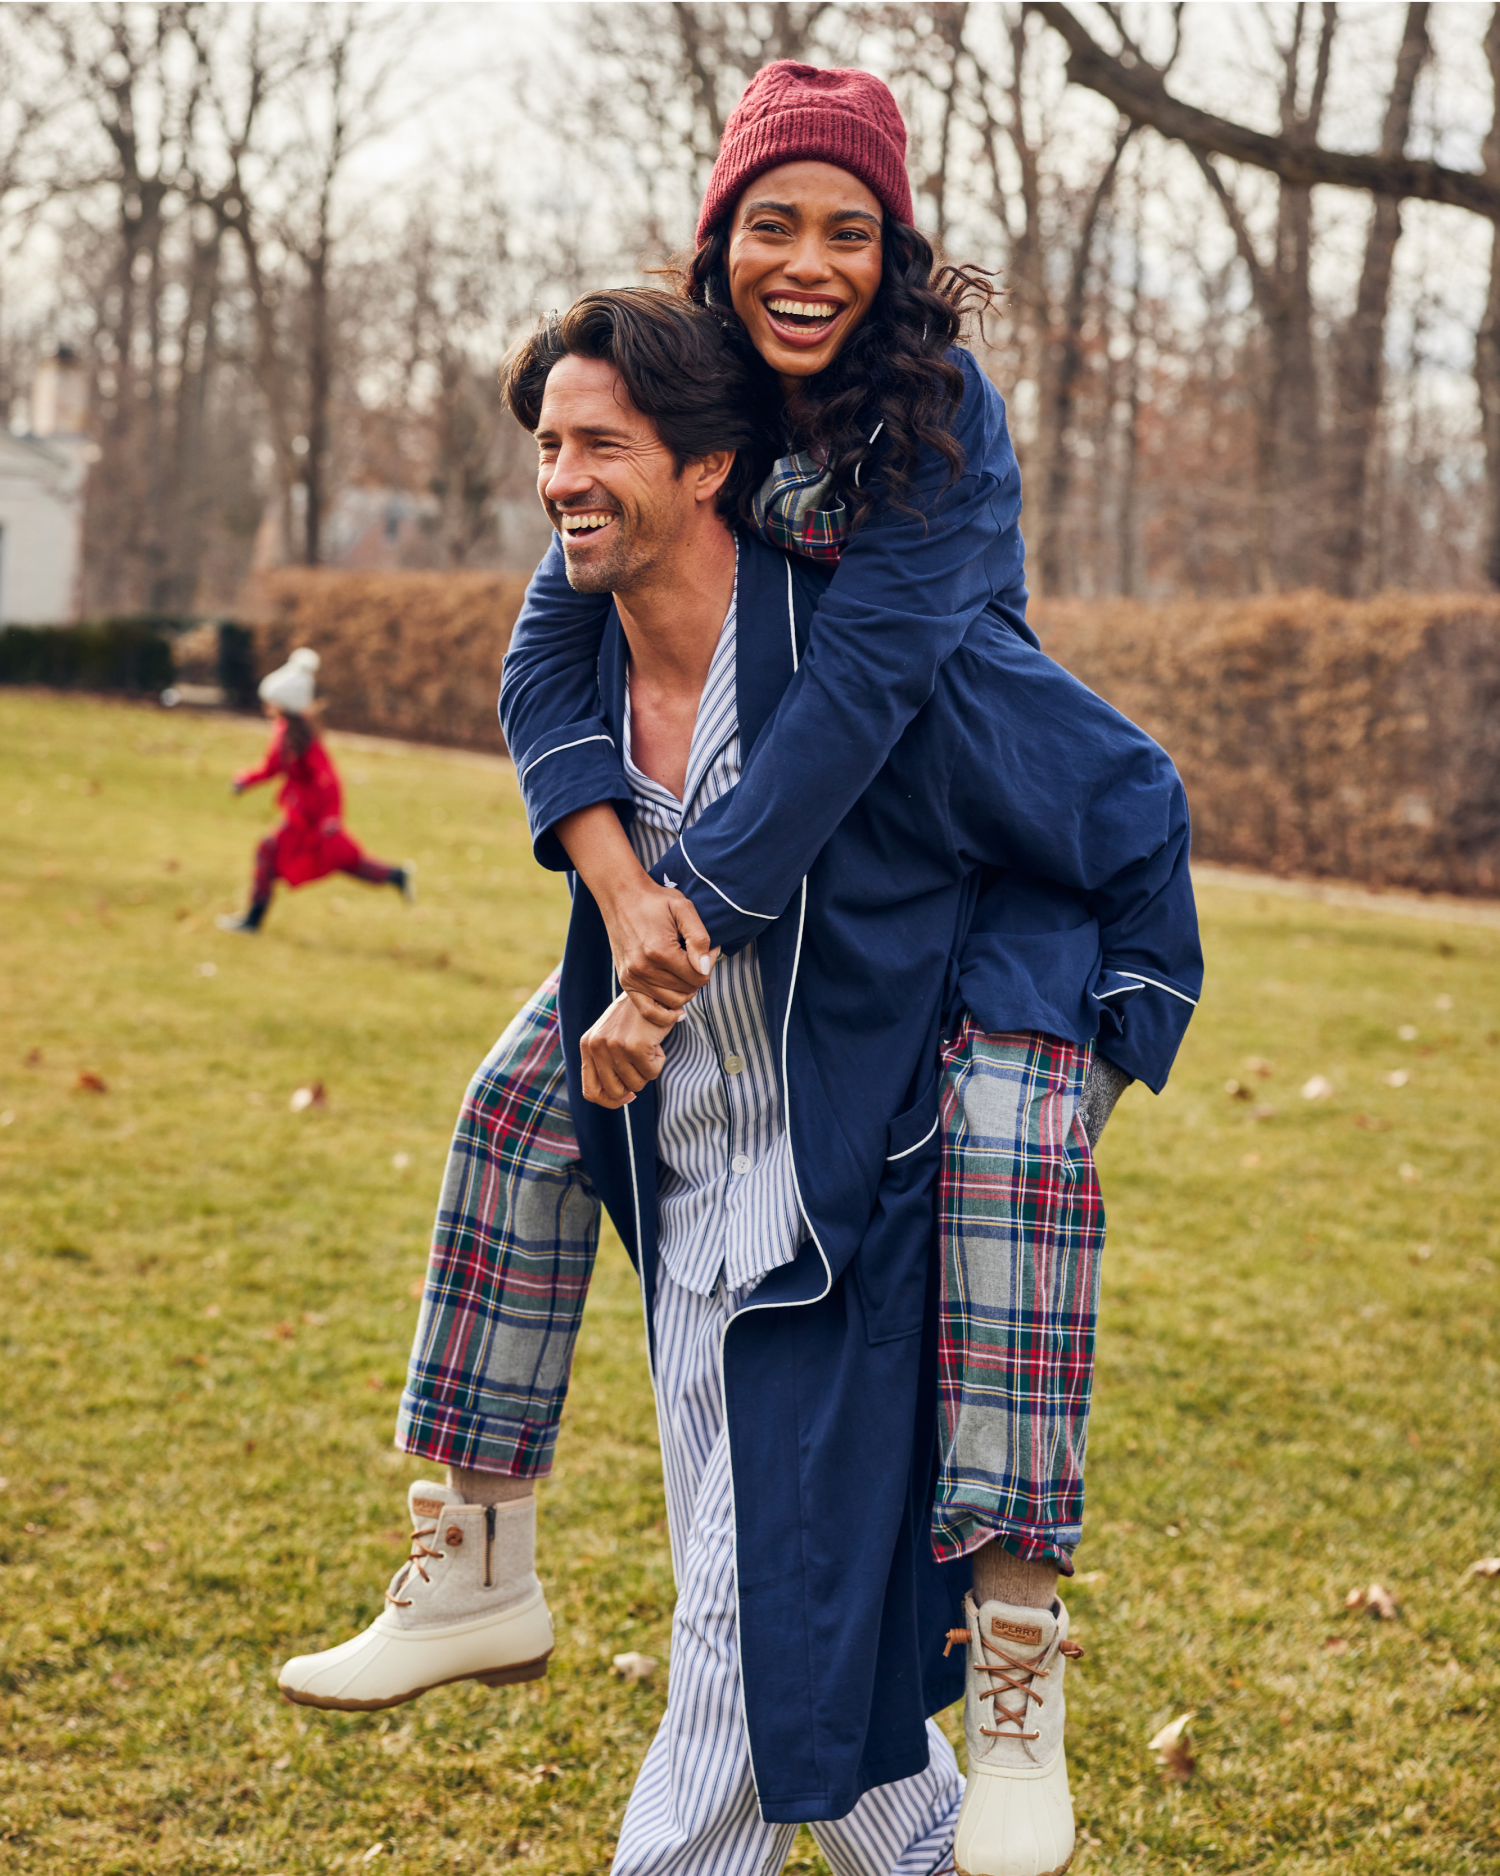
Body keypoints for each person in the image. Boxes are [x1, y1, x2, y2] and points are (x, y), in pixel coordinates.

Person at [278, 290, 1201, 1876]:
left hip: (844, 1212)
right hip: (688, 1194)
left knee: (742, 1631)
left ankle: (997, 1683)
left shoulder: (875, 665)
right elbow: (542, 711)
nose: (563, 477)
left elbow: (1117, 793)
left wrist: (1093, 1039)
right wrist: (628, 937)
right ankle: (483, 1558)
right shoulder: (585, 653)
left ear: (711, 467)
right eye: (549, 446)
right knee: (815, 1673)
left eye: (602, 446)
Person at [218, 648, 412, 932]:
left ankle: (253, 919)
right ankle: (397, 876)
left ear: (284, 705)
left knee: (276, 852)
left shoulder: (303, 741)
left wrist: (331, 818)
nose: (267, 708)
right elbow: (272, 767)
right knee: (341, 861)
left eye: (271, 703)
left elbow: (329, 781)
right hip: (303, 815)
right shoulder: (285, 733)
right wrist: (245, 780)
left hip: (314, 819)